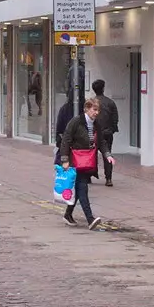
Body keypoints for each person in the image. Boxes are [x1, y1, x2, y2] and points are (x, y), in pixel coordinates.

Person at [57, 95, 103, 230]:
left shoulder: (95, 124)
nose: (96, 113)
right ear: (87, 109)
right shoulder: (76, 121)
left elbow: (101, 141)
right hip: (75, 161)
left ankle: (68, 214)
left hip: (87, 162)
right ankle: (90, 219)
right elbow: (66, 139)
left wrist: (107, 155)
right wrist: (64, 160)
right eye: (94, 110)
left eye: (97, 110)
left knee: (77, 190)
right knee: (83, 189)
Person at [91, 79, 119, 187]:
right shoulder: (110, 102)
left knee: (91, 155)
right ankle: (108, 178)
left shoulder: (91, 103)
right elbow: (115, 118)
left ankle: (90, 175)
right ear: (103, 88)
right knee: (107, 155)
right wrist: (111, 130)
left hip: (93, 134)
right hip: (107, 133)